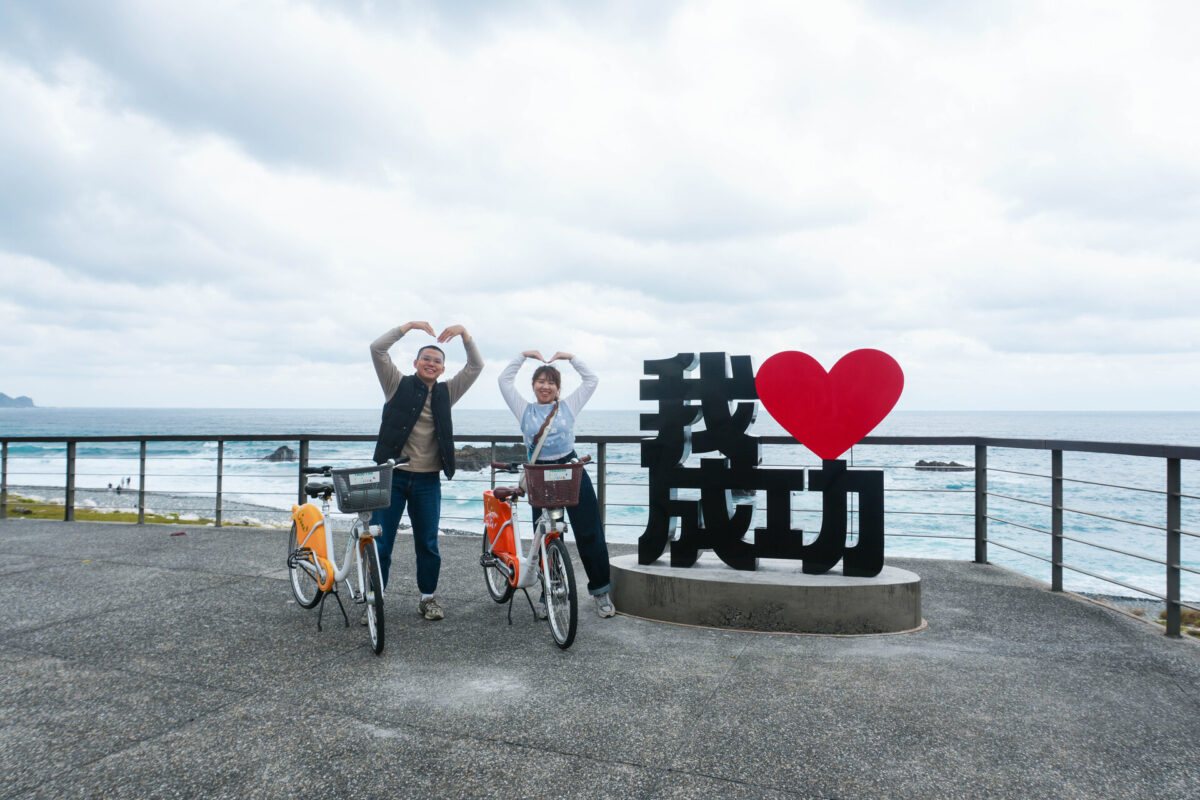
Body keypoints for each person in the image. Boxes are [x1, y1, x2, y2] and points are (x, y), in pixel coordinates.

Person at [370, 320, 483, 621]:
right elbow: (377, 349)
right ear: (416, 362)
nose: (431, 364)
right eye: (426, 359)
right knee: (381, 542)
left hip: (428, 480)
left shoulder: (447, 393)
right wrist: (407, 327)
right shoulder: (396, 383)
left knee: (428, 544)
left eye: (437, 361)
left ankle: (428, 599)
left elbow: (475, 366)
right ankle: (375, 601)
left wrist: (464, 334)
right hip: (392, 477)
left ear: (443, 368)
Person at [498, 349, 615, 618]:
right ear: (533, 385)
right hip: (539, 475)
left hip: (570, 470)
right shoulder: (523, 409)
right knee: (546, 534)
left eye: (551, 381)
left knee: (589, 531)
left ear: (558, 388)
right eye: (541, 380)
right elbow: (504, 381)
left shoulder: (568, 406)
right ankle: (550, 592)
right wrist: (523, 356)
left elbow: (591, 380)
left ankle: (601, 592)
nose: (545, 386)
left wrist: (571, 358)